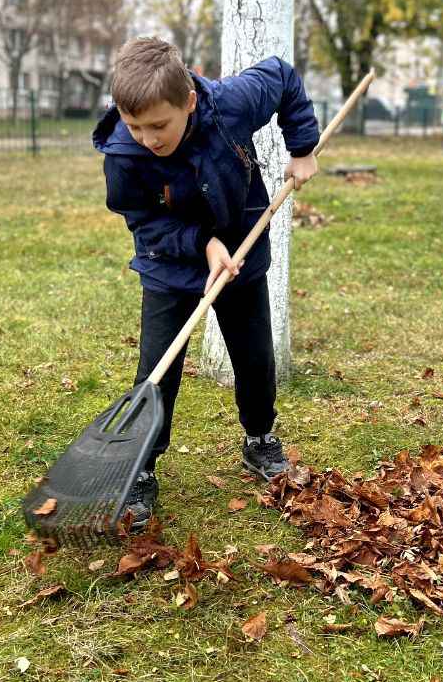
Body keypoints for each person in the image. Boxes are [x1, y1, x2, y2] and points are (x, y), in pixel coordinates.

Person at [93, 37, 320, 528]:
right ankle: (141, 468)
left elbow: (281, 75)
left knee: (254, 354)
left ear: (189, 101)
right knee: (159, 366)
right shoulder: (123, 156)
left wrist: (302, 148)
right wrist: (201, 244)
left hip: (241, 247)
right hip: (169, 263)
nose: (148, 138)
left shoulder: (231, 104)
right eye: (135, 126)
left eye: (159, 125)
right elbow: (143, 221)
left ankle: (260, 438)